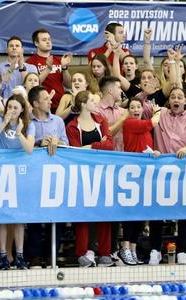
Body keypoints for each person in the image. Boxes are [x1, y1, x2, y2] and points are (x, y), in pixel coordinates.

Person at [149, 88, 186, 265]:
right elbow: (138, 112)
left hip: (184, 173)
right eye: (173, 96)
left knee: (184, 212)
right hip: (160, 172)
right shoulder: (160, 114)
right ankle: (155, 250)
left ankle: (182, 251)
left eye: (180, 97)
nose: (176, 99)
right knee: (157, 211)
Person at [65, 90, 114, 267]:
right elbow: (77, 152)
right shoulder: (72, 126)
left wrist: (91, 145)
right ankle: (83, 252)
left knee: (104, 213)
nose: (96, 103)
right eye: (93, 100)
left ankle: (105, 252)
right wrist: (94, 148)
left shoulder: (101, 121)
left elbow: (110, 145)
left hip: (102, 173)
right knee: (83, 214)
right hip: (83, 175)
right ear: (84, 104)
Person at [0, 94, 35, 270]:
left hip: (19, 174)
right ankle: (2, 254)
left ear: (22, 109)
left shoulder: (29, 124)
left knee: (19, 216)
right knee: (1, 216)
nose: (12, 110)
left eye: (16, 108)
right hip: (0, 173)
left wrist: (20, 132)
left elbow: (29, 149)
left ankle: (20, 254)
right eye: (10, 107)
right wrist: (4, 123)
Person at [26, 86, 68, 268]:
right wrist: (38, 143)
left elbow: (66, 144)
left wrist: (57, 142)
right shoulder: (28, 122)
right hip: (34, 176)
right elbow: (23, 147)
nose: (50, 100)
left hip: (55, 176)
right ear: (35, 103)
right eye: (45, 98)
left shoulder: (58, 121)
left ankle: (52, 255)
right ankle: (34, 256)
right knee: (34, 216)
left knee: (56, 216)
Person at [120, 98, 161, 265]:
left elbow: (145, 147)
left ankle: (134, 249)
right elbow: (153, 122)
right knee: (130, 213)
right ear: (128, 111)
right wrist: (158, 111)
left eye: (139, 106)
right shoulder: (130, 123)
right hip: (132, 175)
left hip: (144, 176)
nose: (136, 109)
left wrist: (154, 153)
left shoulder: (144, 127)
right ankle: (125, 248)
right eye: (132, 107)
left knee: (140, 214)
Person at [26, 28, 72, 112]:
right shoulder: (30, 62)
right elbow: (33, 84)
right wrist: (48, 68)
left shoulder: (58, 60)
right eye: (44, 40)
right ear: (36, 43)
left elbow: (68, 85)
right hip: (41, 106)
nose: (48, 42)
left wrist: (64, 68)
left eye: (49, 39)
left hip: (61, 105)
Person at [97, 76, 128, 151]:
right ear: (110, 90)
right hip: (105, 157)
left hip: (123, 156)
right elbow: (104, 135)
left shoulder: (122, 111)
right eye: (119, 87)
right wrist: (122, 119)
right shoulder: (96, 111)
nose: (121, 91)